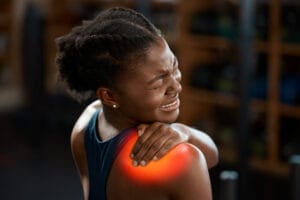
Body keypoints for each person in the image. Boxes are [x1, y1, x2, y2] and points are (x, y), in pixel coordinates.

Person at [55, 7, 218, 200]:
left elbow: (212, 154)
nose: (176, 86)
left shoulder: (86, 125)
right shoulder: (182, 159)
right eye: (158, 81)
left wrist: (185, 131)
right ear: (109, 96)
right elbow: (211, 157)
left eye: (174, 66)